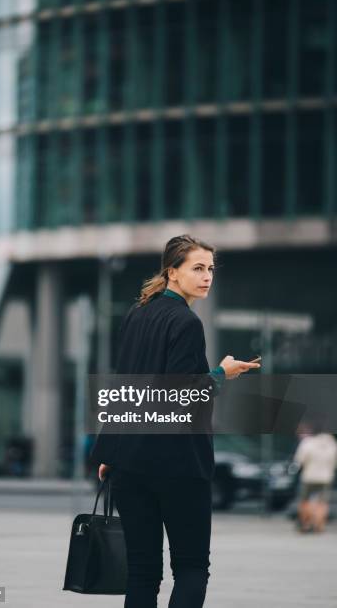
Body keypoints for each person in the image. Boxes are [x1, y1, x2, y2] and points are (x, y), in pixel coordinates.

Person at [89, 234, 261, 608]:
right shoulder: (185, 322)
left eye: (211, 269)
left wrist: (112, 449)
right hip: (178, 465)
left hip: (130, 465)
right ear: (173, 272)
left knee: (142, 572)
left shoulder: (137, 314)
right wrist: (221, 373)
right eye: (197, 268)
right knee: (191, 567)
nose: (207, 277)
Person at [293, 418, 337, 533]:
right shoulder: (332, 444)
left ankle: (306, 524)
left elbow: (300, 460)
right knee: (322, 502)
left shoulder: (307, 443)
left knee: (305, 500)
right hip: (326, 477)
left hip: (309, 476)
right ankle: (319, 525)